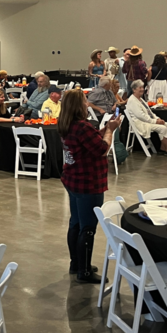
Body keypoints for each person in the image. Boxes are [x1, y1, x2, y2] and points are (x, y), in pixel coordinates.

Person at [58, 89, 121, 283]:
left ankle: (76, 263)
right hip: (88, 182)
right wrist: (110, 130)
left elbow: (91, 141)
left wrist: (105, 129)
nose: (87, 103)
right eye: (85, 100)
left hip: (72, 178)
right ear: (79, 105)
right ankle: (84, 271)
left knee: (75, 223)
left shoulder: (66, 124)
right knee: (88, 227)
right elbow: (101, 149)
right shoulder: (82, 126)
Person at [125, 80, 167, 156]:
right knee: (163, 128)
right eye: (140, 87)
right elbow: (141, 116)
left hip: (147, 121)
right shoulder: (132, 100)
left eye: (142, 87)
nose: (142, 89)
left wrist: (158, 119)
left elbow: (150, 112)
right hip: (140, 123)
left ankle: (163, 148)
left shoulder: (141, 99)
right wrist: (155, 122)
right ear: (134, 89)